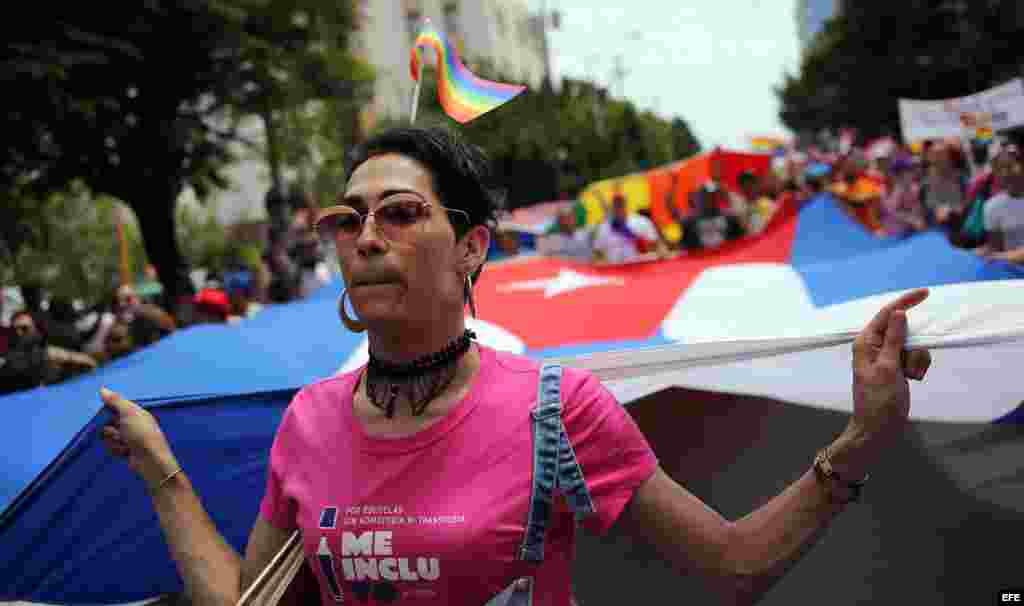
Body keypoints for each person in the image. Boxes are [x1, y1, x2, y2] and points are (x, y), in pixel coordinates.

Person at [100, 126, 932, 606]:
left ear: (470, 248)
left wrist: (862, 438)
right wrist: (163, 474)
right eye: (346, 219)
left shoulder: (558, 408)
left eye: (399, 213)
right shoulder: (309, 419)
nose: (364, 236)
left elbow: (734, 564)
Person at [974, 142, 1024, 264]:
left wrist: (996, 256)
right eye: (999, 168)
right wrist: (986, 251)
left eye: (1011, 165)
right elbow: (996, 247)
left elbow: (997, 255)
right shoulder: (991, 207)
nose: (1006, 172)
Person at [592, 193, 666, 263]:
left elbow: (657, 244)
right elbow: (597, 253)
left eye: (621, 203)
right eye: (616, 204)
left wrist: (662, 253)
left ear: (625, 204)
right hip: (616, 270)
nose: (619, 207)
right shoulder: (604, 228)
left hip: (641, 268)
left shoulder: (641, 222)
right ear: (612, 206)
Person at [680, 183, 745, 251]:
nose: (709, 199)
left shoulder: (730, 218)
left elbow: (741, 243)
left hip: (726, 257)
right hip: (703, 259)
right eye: (705, 196)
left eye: (712, 196)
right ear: (697, 199)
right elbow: (682, 246)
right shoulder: (687, 223)